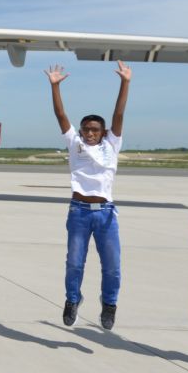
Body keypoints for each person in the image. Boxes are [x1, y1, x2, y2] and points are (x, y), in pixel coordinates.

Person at [47, 62, 131, 330]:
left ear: (103, 133)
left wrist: (124, 83)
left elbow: (119, 114)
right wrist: (55, 86)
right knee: (74, 262)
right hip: (79, 212)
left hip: (106, 213)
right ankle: (72, 299)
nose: (90, 133)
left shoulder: (111, 145)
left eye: (95, 130)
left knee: (112, 266)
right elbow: (61, 115)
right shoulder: (76, 144)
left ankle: (109, 304)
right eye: (86, 129)